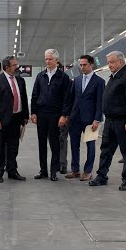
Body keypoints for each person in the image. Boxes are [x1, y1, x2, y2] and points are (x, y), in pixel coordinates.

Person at [89, 51, 126, 191]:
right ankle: (101, 176)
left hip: (123, 121)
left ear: (121, 62)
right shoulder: (113, 77)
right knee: (106, 150)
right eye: (108, 62)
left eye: (112, 62)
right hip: (110, 121)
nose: (109, 65)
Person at [0, 56, 29, 183]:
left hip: (16, 119)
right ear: (7, 67)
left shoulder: (20, 80)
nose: (17, 67)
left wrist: (25, 116)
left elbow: (24, 99)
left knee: (13, 147)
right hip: (1, 120)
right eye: (14, 65)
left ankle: (12, 171)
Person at [31, 49, 71, 181]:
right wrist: (33, 112)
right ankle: (43, 171)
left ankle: (54, 171)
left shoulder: (63, 77)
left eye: (50, 59)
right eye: (46, 59)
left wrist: (64, 115)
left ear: (56, 61)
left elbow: (67, 98)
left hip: (55, 115)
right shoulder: (40, 76)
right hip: (41, 114)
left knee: (55, 144)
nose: (47, 61)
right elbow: (35, 95)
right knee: (41, 143)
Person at [65, 54, 105, 181]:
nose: (82, 67)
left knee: (90, 146)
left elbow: (100, 103)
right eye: (80, 65)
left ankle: (88, 171)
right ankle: (75, 170)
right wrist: (67, 115)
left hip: (90, 120)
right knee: (74, 144)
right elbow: (70, 99)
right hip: (75, 118)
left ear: (91, 65)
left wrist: (97, 119)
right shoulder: (76, 80)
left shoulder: (99, 82)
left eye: (84, 65)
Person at [57, 61, 71, 174]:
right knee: (54, 140)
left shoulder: (67, 81)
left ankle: (62, 164)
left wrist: (66, 115)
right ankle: (56, 162)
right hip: (52, 117)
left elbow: (69, 100)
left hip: (63, 116)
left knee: (62, 139)